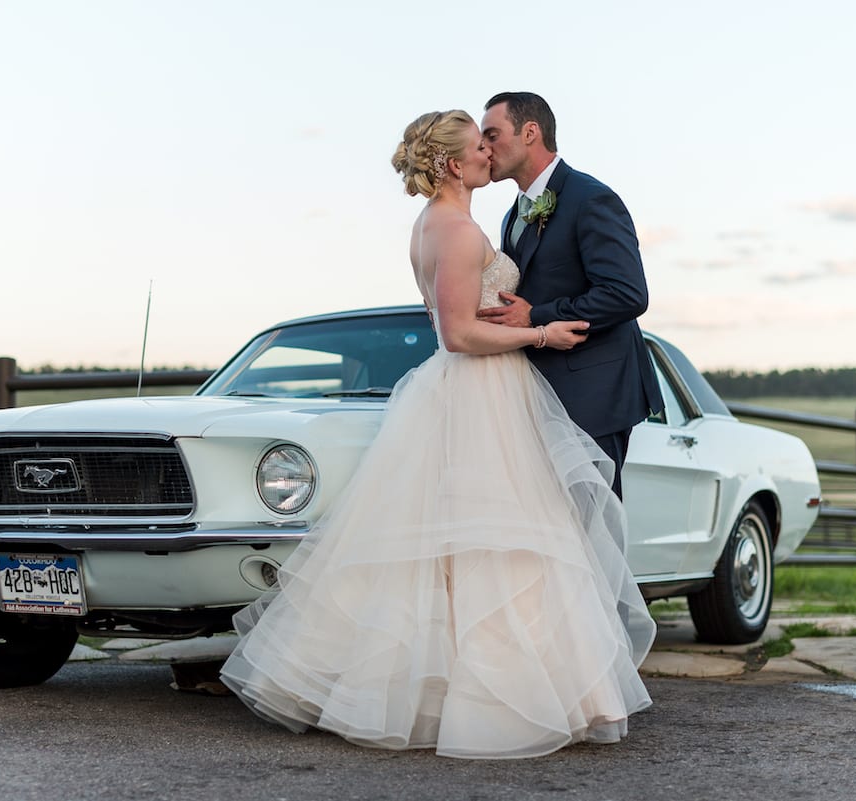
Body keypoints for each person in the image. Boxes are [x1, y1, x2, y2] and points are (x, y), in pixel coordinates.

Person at [220, 110, 655, 759]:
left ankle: (482, 686)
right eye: (480, 147)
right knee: (503, 542)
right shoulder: (453, 227)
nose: (489, 155)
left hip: (482, 391)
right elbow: (458, 333)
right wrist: (540, 332)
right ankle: (503, 698)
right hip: (481, 390)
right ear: (454, 163)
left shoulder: (447, 222)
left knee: (480, 546)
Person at [478, 92, 663, 499]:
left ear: (530, 132)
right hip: (539, 396)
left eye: (492, 135)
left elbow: (627, 293)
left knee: (593, 529)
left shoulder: (590, 198)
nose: (483, 147)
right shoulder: (513, 214)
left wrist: (537, 316)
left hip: (595, 393)